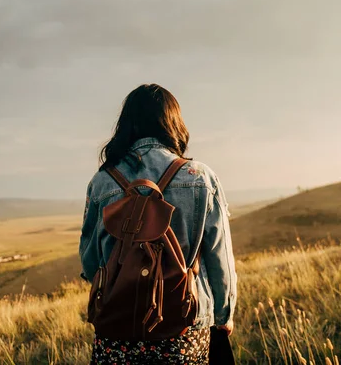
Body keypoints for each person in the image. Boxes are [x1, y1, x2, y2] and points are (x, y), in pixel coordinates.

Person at [79, 83, 237, 364]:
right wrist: (224, 315)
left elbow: (91, 259)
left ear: (126, 124)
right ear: (173, 123)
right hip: (186, 325)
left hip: (118, 326)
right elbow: (218, 257)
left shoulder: (103, 181)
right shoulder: (201, 177)